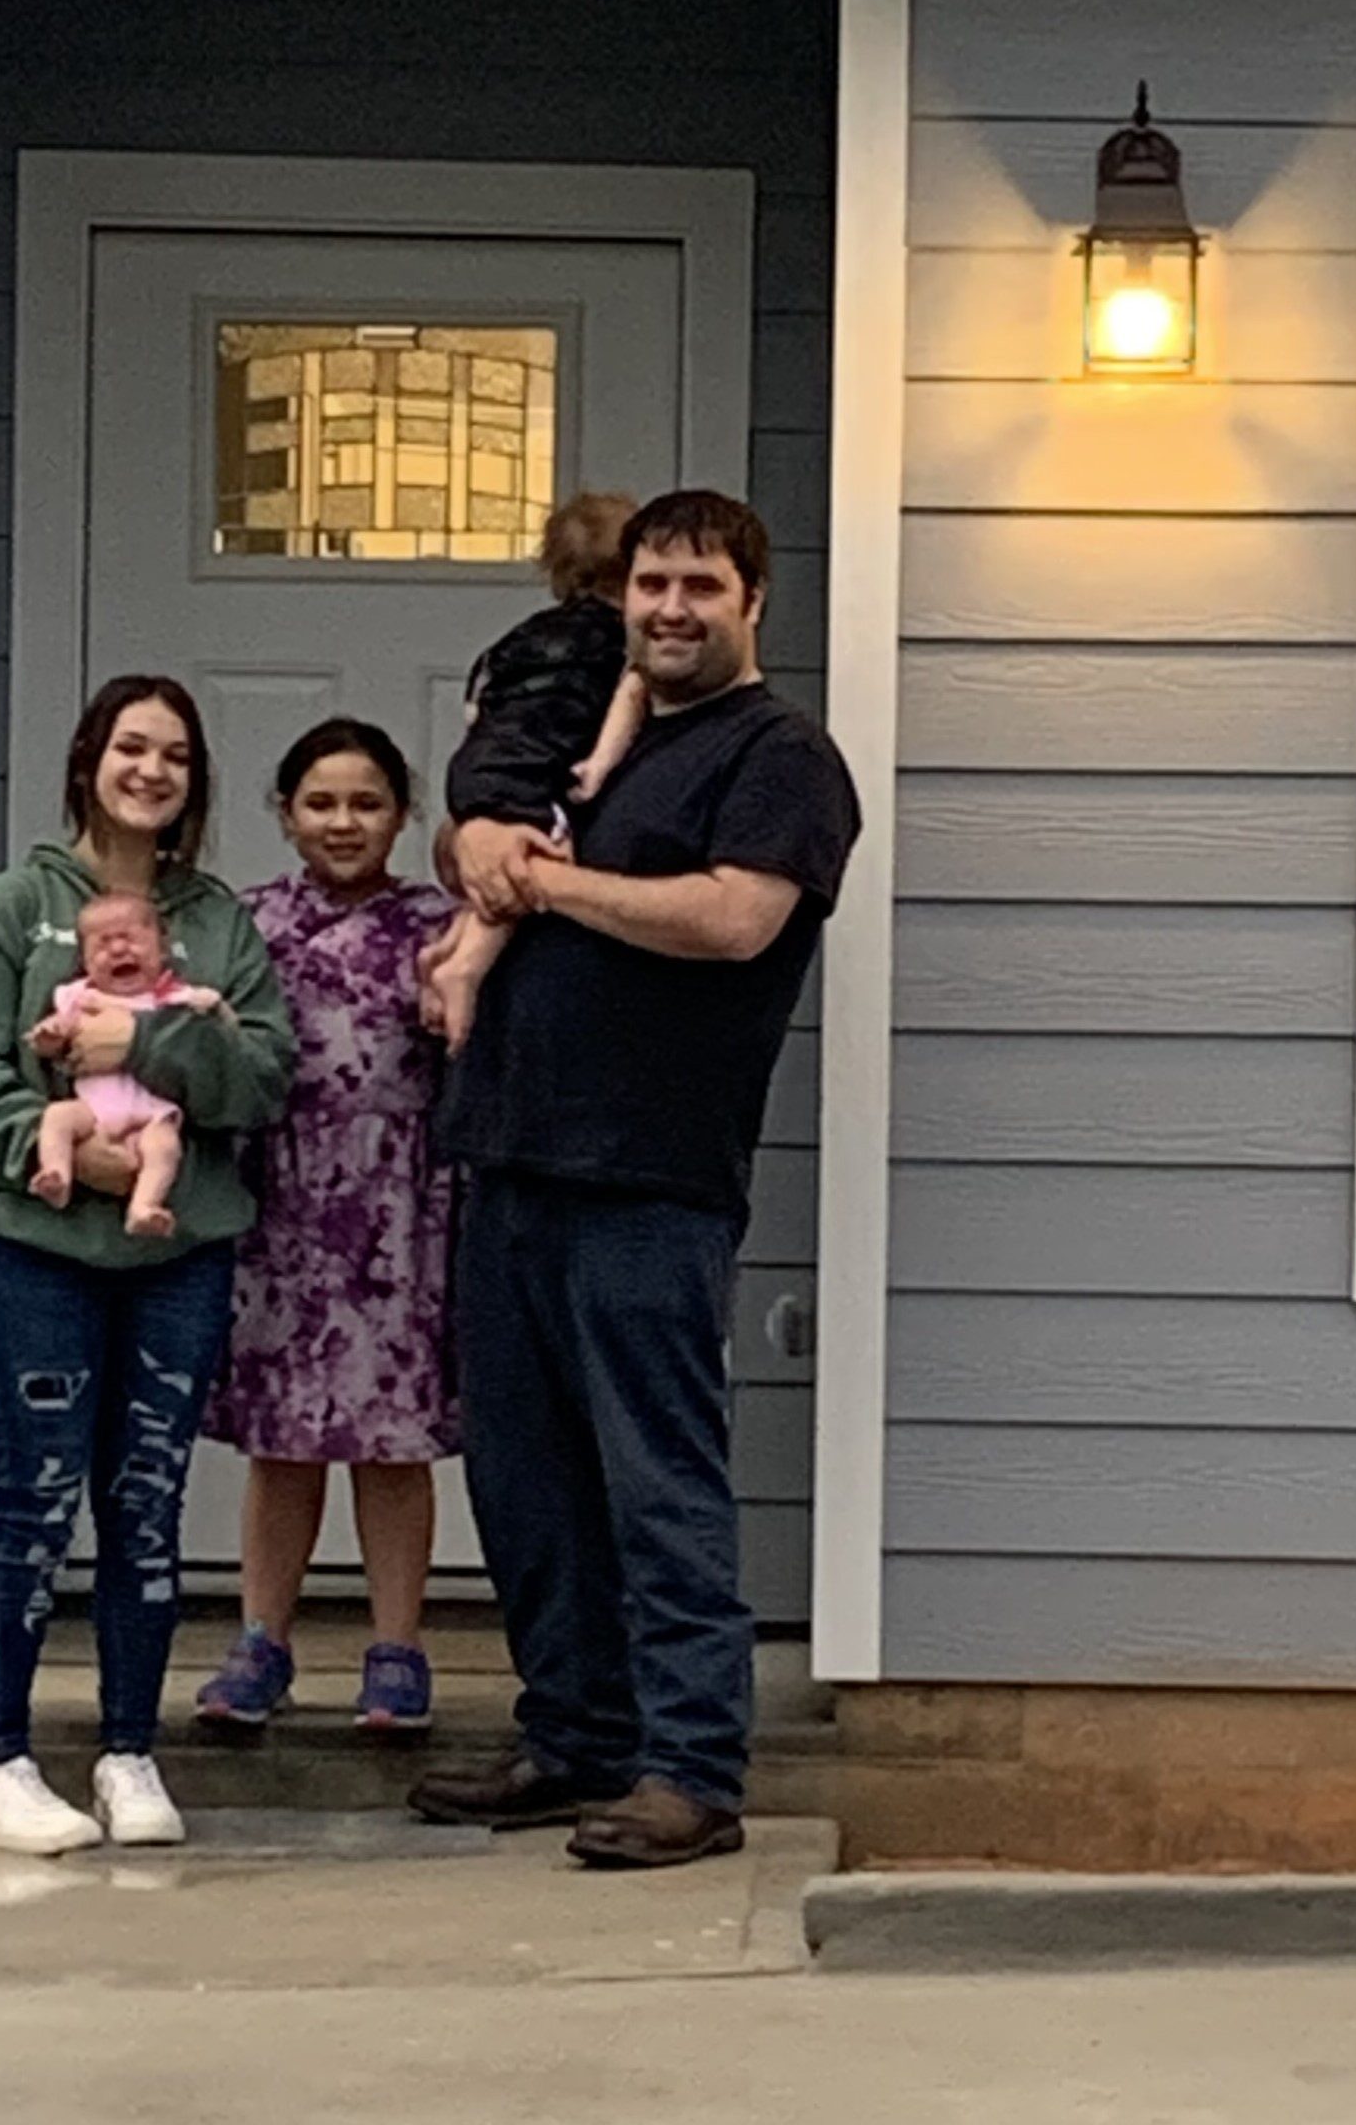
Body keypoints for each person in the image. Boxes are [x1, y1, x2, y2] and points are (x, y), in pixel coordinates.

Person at [411, 489, 861, 1868]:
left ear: (752, 603)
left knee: (657, 1480)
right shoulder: (588, 737)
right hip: (509, 1160)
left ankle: (691, 1769)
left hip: (650, 1179)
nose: (670, 609)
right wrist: (479, 848)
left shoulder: (780, 756)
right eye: (652, 585)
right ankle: (574, 1737)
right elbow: (480, 842)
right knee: (527, 1482)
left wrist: (547, 888)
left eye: (700, 587)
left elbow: (734, 919)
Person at [0, 674, 295, 1857]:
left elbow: (261, 1080)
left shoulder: (218, 924)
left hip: (175, 1255)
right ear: (90, 756)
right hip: (39, 1253)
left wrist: (141, 1039)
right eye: (131, 745)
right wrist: (88, 1169)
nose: (152, 769)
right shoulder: (9, 907)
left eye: (175, 754)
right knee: (33, 1499)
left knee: (143, 1505)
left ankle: (130, 1751)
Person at [195, 718, 459, 1732]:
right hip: (282, 1204)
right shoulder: (247, 923)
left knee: (391, 1442)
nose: (342, 822)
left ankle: (396, 1647)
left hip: (397, 1205)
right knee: (284, 1439)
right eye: (319, 802)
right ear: (284, 811)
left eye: (365, 802)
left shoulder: (439, 925)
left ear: (400, 812)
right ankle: (262, 1642)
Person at [421, 491, 647, 1052]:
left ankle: (447, 950)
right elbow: (628, 702)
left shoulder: (521, 639)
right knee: (531, 859)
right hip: (532, 771)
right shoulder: (623, 645)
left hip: (478, 766)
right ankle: (464, 967)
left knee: (493, 868)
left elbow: (478, 700)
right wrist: (598, 763)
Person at [28, 891, 228, 1238]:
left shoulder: (170, 997)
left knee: (165, 1147)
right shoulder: (81, 997)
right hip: (93, 1110)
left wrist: (211, 1007)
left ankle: (144, 1206)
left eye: (132, 939)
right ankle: (56, 1173)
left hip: (152, 1111)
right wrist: (49, 1037)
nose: (119, 950)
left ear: (163, 950)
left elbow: (211, 1020)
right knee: (57, 1118)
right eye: (103, 945)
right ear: (86, 963)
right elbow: (55, 1037)